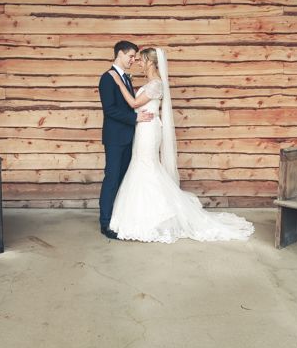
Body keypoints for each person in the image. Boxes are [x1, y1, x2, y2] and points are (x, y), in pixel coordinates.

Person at [108, 47, 254, 243]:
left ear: (150, 62)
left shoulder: (156, 84)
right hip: (143, 128)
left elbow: (134, 104)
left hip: (149, 130)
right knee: (142, 165)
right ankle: (146, 213)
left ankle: (158, 215)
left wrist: (118, 83)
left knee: (146, 165)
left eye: (141, 60)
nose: (138, 63)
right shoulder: (151, 83)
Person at [98, 41, 153, 239]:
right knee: (112, 179)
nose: (133, 60)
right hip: (114, 138)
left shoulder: (125, 79)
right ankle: (105, 223)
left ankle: (118, 217)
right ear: (120, 54)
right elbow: (110, 110)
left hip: (129, 137)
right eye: (130, 56)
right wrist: (135, 118)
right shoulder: (107, 78)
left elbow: (130, 105)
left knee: (123, 180)